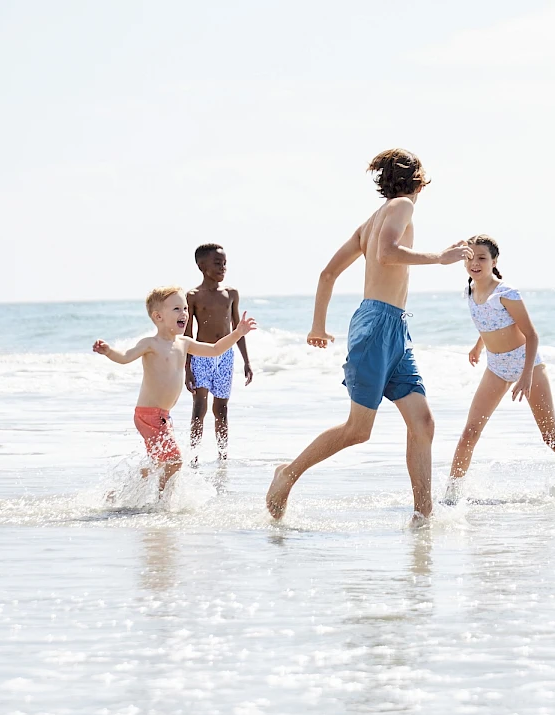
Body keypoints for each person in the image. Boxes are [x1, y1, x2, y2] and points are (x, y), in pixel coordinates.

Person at [265, 148, 472, 521]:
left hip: (393, 327)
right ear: (419, 179)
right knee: (358, 430)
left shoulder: (369, 221)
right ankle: (288, 473)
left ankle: (423, 515)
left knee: (422, 423)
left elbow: (327, 274)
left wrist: (318, 325)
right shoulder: (401, 207)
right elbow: (388, 253)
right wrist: (439, 258)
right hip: (377, 325)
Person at [445, 235, 555, 503]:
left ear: (493, 261)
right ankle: (451, 496)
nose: (475, 263)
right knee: (469, 432)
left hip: (527, 363)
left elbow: (532, 335)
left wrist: (526, 376)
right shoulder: (470, 292)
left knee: (550, 435)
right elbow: (488, 322)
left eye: (482, 258)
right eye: (470, 257)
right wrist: (478, 347)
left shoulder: (506, 293)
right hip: (496, 367)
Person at [93, 286, 257, 492]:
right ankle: (162, 502)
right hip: (149, 415)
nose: (185, 314)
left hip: (163, 416)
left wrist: (237, 333)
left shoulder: (184, 343)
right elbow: (125, 357)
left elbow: (215, 349)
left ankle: (122, 494)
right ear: (158, 316)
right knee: (175, 460)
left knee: (159, 463)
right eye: (177, 309)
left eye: (186, 309)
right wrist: (108, 351)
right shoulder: (150, 344)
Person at [185, 243, 254, 461]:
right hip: (201, 355)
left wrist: (246, 361)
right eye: (217, 263)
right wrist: (186, 368)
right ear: (201, 265)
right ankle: (194, 456)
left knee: (221, 409)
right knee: (199, 407)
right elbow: (187, 334)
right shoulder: (193, 296)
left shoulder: (231, 294)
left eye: (224, 264)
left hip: (226, 356)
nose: (223, 268)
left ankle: (223, 457)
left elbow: (237, 329)